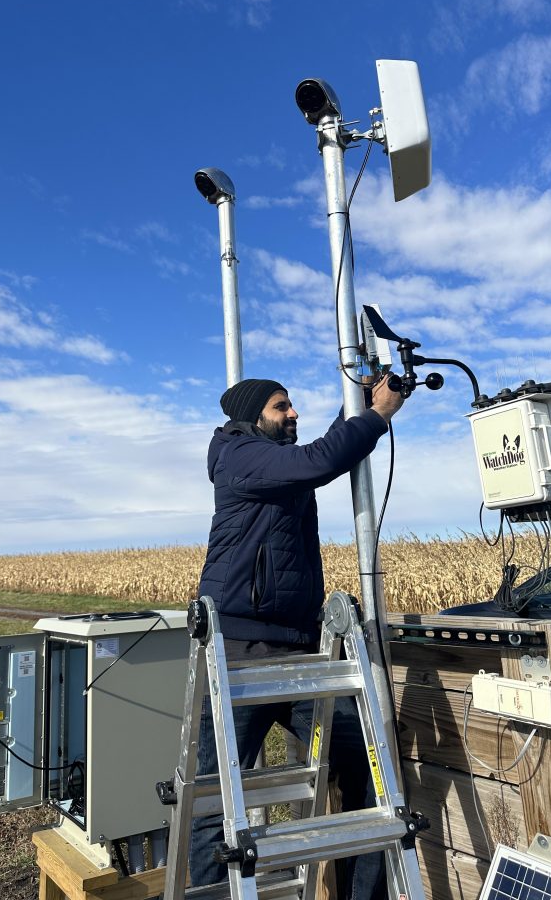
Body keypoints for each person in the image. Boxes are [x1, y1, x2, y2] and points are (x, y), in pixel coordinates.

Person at [190, 376, 405, 900]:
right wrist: (377, 418)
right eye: (281, 406)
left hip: (299, 650)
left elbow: (318, 454)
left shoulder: (277, 466)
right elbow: (316, 462)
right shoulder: (238, 454)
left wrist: (359, 403)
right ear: (252, 416)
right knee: (218, 794)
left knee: (368, 775)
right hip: (241, 651)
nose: (293, 413)